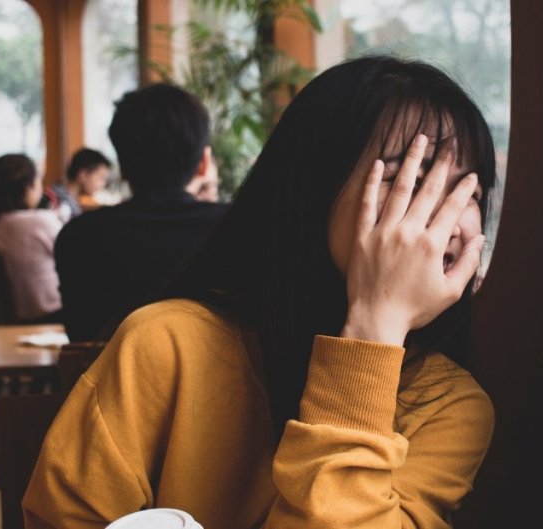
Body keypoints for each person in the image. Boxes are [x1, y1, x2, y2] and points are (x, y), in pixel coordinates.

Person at [25, 56, 496, 528]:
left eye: (467, 192)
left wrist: (375, 329)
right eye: (410, 180)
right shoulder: (165, 343)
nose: (442, 221)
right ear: (312, 188)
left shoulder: (449, 405)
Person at [53, 83, 227, 342]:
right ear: (204, 164)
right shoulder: (236, 228)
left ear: (122, 168)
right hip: (215, 370)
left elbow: (80, 337)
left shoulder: (78, 237)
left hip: (113, 370)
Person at [0, 154, 63, 322]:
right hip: (53, 314)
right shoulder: (40, 221)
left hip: (9, 320)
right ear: (28, 186)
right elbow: (77, 260)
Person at [42, 148, 113, 222]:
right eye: (101, 178)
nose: (103, 184)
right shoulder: (58, 203)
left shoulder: (60, 195)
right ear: (83, 175)